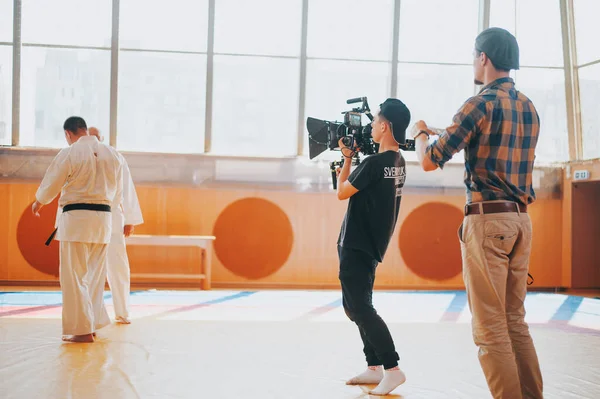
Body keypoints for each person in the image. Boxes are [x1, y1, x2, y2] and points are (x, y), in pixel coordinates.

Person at [412, 27, 543, 399]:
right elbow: (495, 144)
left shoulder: (478, 104)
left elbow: (429, 161)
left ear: (484, 58)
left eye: (474, 55)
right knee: (515, 322)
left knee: (490, 329)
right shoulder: (529, 107)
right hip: (520, 220)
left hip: (487, 223)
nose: (473, 61)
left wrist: (421, 134)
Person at [335, 98, 411, 396]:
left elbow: (342, 192)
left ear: (385, 125)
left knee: (361, 307)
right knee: (355, 307)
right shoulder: (397, 162)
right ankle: (374, 367)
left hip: (356, 242)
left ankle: (392, 368)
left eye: (376, 121)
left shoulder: (374, 163)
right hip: (372, 242)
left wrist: (347, 159)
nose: (372, 126)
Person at [33, 116, 123, 343]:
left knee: (74, 276)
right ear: (85, 129)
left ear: (68, 133)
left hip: (76, 221)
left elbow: (53, 181)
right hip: (104, 220)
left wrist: (39, 201)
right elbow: (118, 192)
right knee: (94, 275)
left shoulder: (71, 152)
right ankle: (90, 325)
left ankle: (82, 331)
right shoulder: (113, 154)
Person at [88, 127, 143, 324]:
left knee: (116, 264)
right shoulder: (83, 156)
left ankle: (122, 312)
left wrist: (130, 219)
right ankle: (94, 313)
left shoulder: (113, 156)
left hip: (108, 214)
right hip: (96, 214)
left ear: (100, 138)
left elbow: (126, 187)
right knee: (97, 266)